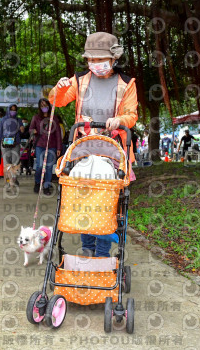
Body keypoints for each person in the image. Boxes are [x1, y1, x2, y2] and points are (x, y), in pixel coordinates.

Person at [50, 31, 138, 258]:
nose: (95, 64)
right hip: (84, 148)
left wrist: (119, 120)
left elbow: (131, 115)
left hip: (113, 150)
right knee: (82, 200)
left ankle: (102, 254)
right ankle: (87, 250)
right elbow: (57, 101)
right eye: (91, 60)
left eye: (100, 59)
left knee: (106, 203)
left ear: (113, 58)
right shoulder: (79, 80)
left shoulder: (126, 84)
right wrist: (59, 88)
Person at [29, 98, 62, 195]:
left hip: (52, 145)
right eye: (42, 105)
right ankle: (37, 182)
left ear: (49, 105)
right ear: (39, 107)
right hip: (40, 145)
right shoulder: (36, 117)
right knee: (39, 166)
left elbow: (58, 134)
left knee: (49, 167)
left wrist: (59, 148)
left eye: (45, 105)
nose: (44, 107)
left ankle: (46, 186)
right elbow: (31, 128)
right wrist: (33, 131)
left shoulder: (54, 118)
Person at [0, 104, 21, 185]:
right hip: (5, 143)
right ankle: (8, 181)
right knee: (7, 163)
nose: (13, 112)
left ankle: (13, 179)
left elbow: (22, 131)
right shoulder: (3, 120)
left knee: (15, 163)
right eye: (11, 110)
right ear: (8, 110)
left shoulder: (18, 120)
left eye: (14, 110)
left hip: (15, 143)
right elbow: (0, 132)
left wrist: (22, 129)